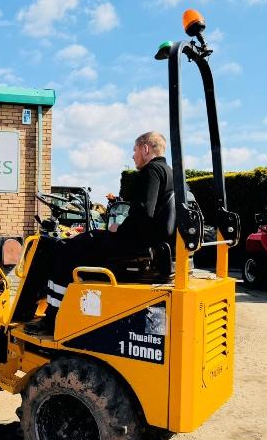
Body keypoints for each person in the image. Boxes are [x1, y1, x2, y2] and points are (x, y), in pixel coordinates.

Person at [25, 131, 175, 335]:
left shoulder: (151, 172)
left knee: (64, 249)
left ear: (145, 149)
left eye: (134, 150)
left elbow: (143, 214)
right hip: (153, 245)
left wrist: (118, 229)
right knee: (82, 244)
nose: (133, 156)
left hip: (135, 244)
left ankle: (51, 318)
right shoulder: (171, 173)